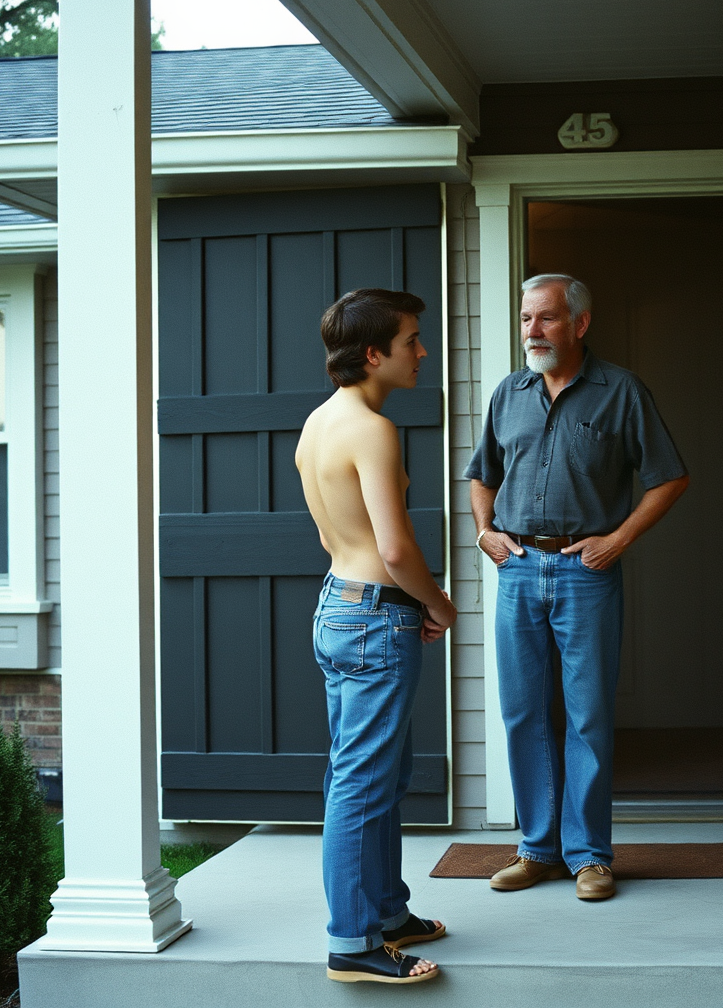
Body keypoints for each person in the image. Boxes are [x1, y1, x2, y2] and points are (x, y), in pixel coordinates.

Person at [466, 273, 689, 901]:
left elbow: (669, 477)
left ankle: (590, 855)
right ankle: (538, 850)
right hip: (517, 571)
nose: (532, 331)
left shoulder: (621, 392)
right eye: (525, 319)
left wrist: (618, 539)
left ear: (580, 323)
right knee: (523, 712)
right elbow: (482, 473)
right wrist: (486, 532)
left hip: (585, 574)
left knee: (587, 715)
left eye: (546, 318)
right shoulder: (508, 394)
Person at [295, 288, 456, 983]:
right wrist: (438, 603)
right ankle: (354, 944)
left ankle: (387, 911)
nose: (422, 352)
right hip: (374, 615)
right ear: (373, 353)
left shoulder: (318, 423)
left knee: (371, 775)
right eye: (412, 340)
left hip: (339, 605)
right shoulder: (373, 429)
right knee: (362, 784)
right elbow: (394, 548)